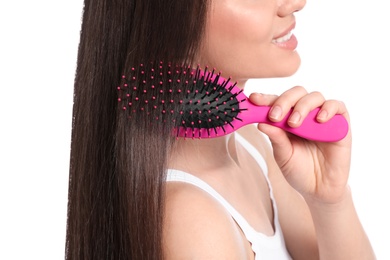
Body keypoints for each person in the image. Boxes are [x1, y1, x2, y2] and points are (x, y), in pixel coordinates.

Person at [65, 0, 375, 259]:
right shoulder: (192, 220)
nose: (295, 3)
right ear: (169, 16)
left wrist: (330, 201)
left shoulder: (252, 143)